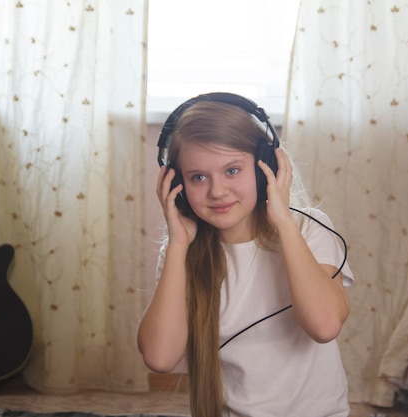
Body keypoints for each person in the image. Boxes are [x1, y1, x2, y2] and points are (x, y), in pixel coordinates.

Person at [137, 93, 354, 417]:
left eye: (232, 170)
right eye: (198, 177)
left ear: (265, 165)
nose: (217, 191)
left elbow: (324, 326)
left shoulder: (308, 229)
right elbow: (159, 358)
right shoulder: (182, 252)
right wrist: (178, 246)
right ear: (177, 185)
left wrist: (282, 222)